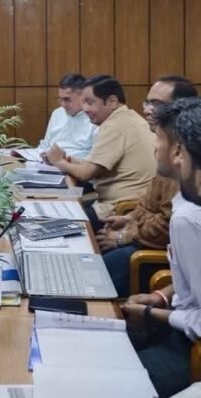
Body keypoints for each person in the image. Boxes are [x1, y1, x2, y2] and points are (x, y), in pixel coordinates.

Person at [122, 97, 201, 398]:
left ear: (178, 151)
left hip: (190, 348)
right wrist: (162, 296)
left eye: (158, 138)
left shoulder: (189, 219)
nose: (154, 146)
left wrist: (150, 313)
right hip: (181, 325)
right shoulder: (186, 202)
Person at [97, 76, 197, 297]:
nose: (148, 110)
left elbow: (166, 226)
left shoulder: (185, 165)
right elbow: (149, 203)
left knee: (102, 268)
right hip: (149, 239)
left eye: (157, 104)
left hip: (157, 254)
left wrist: (125, 236)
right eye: (148, 102)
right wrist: (128, 218)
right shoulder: (168, 155)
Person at [45, 75, 156, 230]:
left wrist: (59, 162)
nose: (85, 109)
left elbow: (86, 173)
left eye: (90, 103)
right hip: (124, 203)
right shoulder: (127, 118)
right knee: (63, 208)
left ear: (112, 101)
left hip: (122, 209)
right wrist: (68, 159)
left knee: (55, 223)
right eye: (83, 102)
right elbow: (95, 164)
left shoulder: (115, 126)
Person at [38, 73, 98, 159]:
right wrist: (41, 154)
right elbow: (45, 145)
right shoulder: (57, 113)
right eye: (60, 99)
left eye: (67, 99)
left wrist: (63, 160)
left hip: (76, 165)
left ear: (83, 97)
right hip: (47, 163)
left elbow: (95, 159)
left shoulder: (96, 118)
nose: (62, 104)